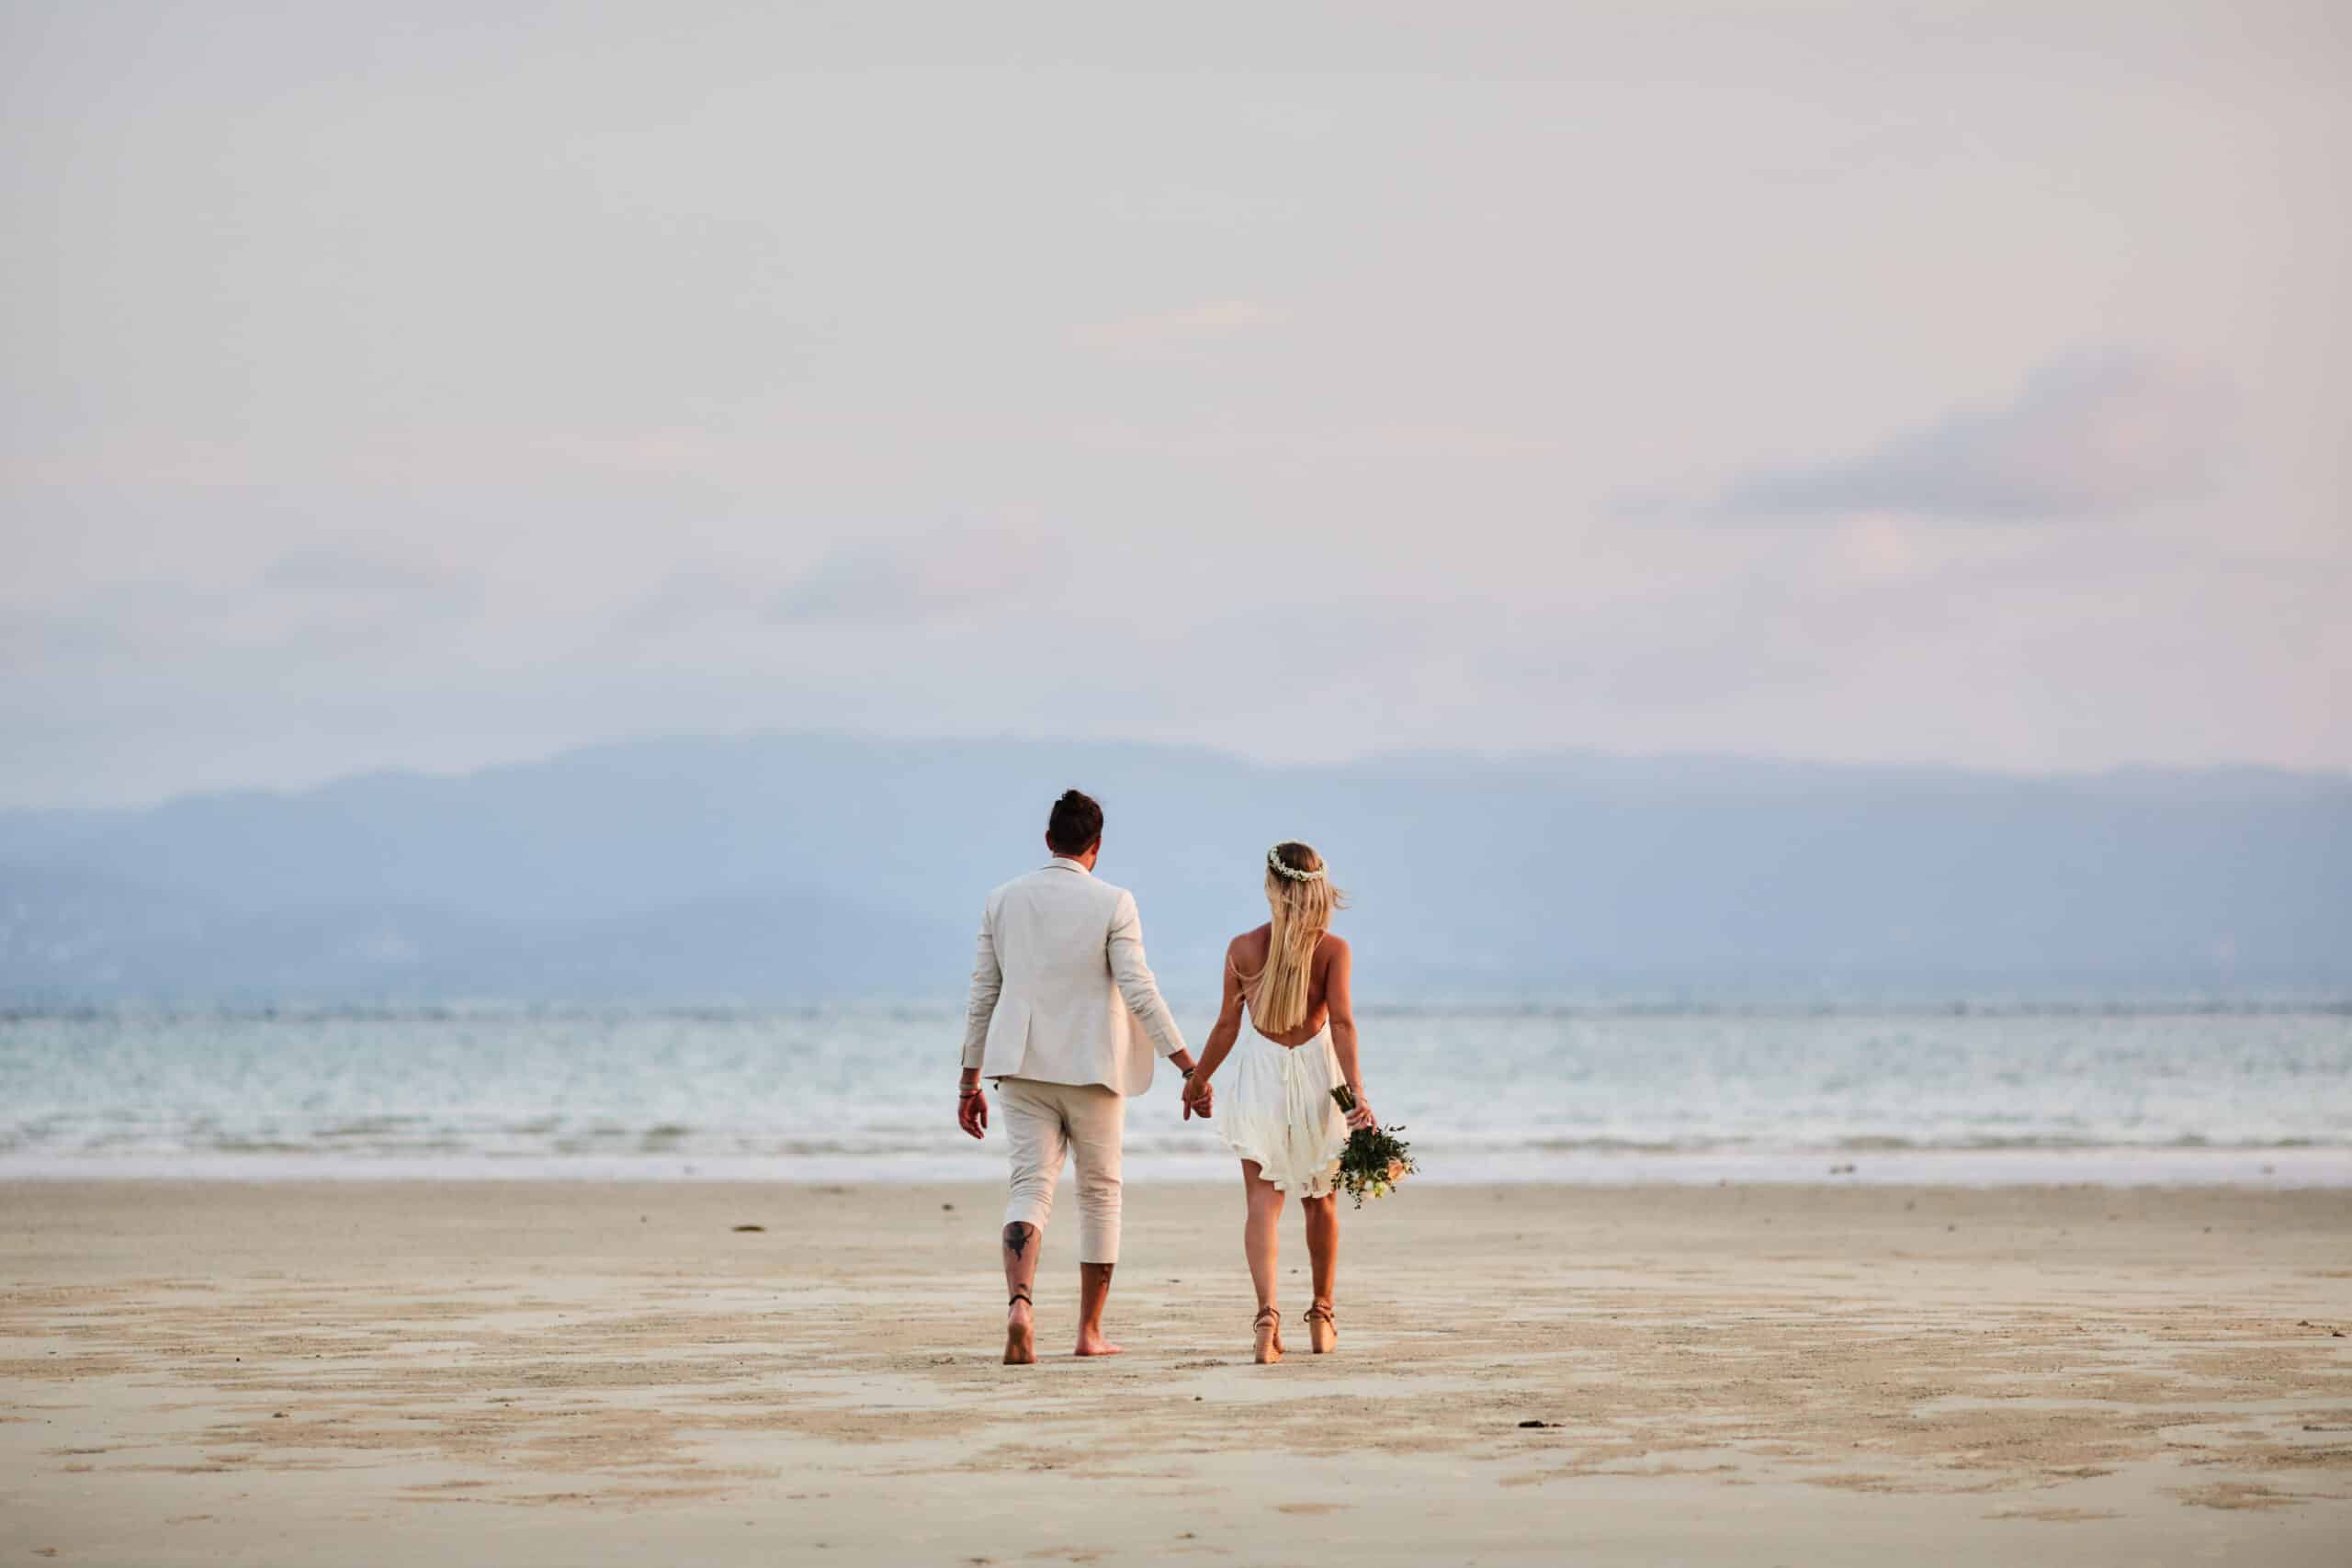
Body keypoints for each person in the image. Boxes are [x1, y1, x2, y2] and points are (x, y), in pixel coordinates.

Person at [956, 788, 1211, 1364]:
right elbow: (1139, 991)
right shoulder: (1114, 901)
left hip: (1020, 1066)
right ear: (1094, 848)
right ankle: (1088, 1332)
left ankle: (1021, 1305)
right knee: (1099, 1194)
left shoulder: (1001, 900)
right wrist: (1187, 1066)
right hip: (1095, 1068)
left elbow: (982, 996)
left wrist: (969, 1082)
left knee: (1028, 1187)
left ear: (1048, 840)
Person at [1180, 840, 1374, 1363]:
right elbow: (1342, 1025)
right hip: (1320, 1074)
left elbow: (1226, 1026)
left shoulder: (1242, 948)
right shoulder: (1334, 950)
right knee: (1322, 1200)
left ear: (1271, 887)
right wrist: (1356, 1095)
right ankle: (1322, 1313)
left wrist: (1198, 1079)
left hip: (1261, 1073)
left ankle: (1267, 1319)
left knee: (1262, 1206)